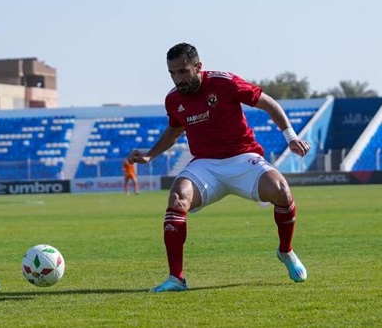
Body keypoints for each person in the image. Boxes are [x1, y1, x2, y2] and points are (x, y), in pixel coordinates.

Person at [127, 43, 310, 292]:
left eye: (183, 71)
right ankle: (176, 278)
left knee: (281, 190)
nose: (178, 79)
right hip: (206, 165)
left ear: (198, 67)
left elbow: (268, 103)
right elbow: (174, 130)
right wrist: (150, 155)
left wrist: (291, 137)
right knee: (178, 197)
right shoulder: (173, 99)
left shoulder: (225, 83)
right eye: (172, 73)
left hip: (243, 158)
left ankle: (285, 251)